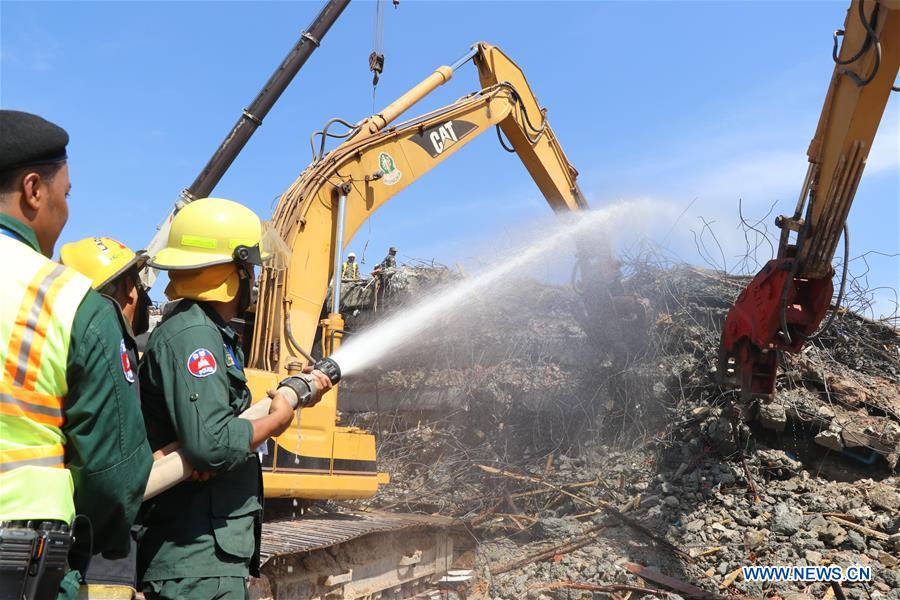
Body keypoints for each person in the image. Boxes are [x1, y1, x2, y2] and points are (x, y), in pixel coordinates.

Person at [136, 197, 332, 600]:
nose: (254, 280)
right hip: (194, 559)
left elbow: (218, 426)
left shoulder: (209, 332)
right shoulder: (195, 336)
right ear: (233, 272)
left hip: (206, 556)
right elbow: (211, 444)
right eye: (250, 269)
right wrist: (276, 421)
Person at [0, 110, 152, 599]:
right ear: (33, 191)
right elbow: (114, 475)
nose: (66, 209)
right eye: (65, 193)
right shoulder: (66, 300)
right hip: (23, 558)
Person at [59, 237, 153, 587]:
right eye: (137, 285)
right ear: (128, 289)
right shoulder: (107, 335)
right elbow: (111, 469)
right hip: (101, 550)